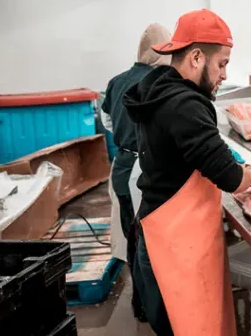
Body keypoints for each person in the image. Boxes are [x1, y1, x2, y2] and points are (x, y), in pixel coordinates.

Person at [123, 9, 251, 336]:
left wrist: (220, 151)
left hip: (158, 229)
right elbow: (230, 179)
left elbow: (192, 147)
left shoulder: (160, 90)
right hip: (175, 246)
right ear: (194, 57)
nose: (223, 74)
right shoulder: (186, 105)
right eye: (222, 64)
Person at [101, 23, 172, 321]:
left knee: (132, 235)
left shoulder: (116, 81)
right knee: (148, 240)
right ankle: (153, 306)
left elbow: (107, 121)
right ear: (161, 52)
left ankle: (140, 304)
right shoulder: (159, 82)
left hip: (121, 165)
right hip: (143, 170)